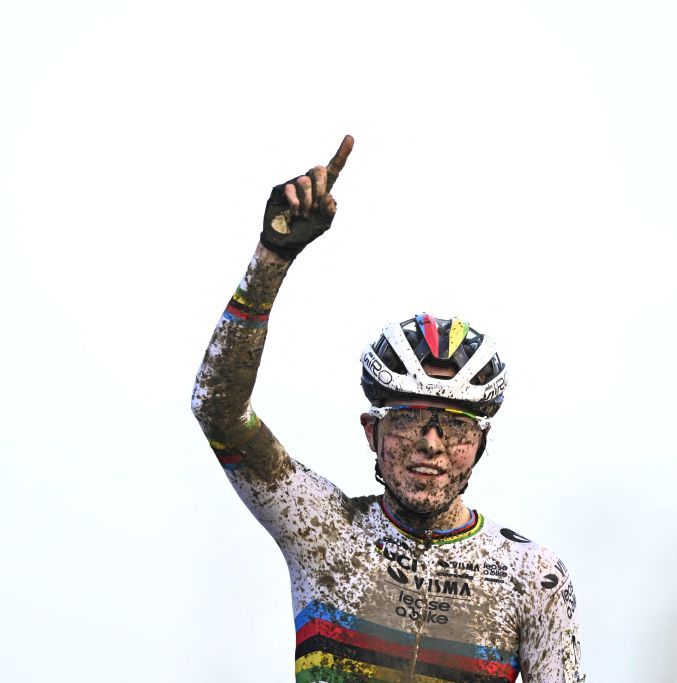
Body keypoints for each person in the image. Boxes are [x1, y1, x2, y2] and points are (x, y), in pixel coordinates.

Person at [191, 136, 585, 683]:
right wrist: (271, 259)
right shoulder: (322, 529)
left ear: (481, 446)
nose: (430, 442)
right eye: (407, 419)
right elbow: (218, 410)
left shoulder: (532, 577)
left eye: (453, 426)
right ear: (371, 431)